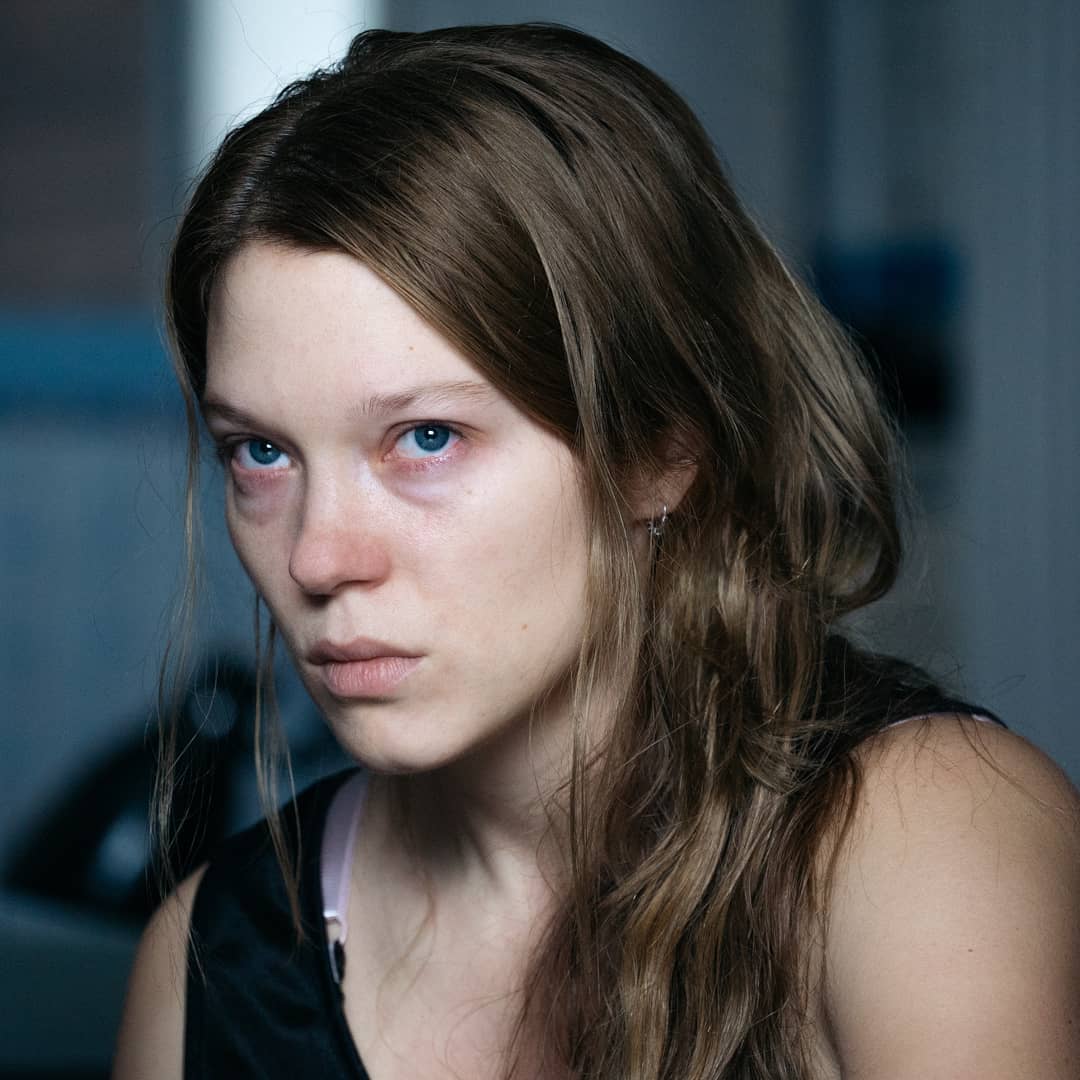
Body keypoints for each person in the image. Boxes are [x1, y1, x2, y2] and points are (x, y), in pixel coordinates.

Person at [112, 23, 1080, 1080]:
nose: (316, 557)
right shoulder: (204, 967)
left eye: (426, 438)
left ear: (661, 453)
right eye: (260, 452)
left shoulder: (919, 836)